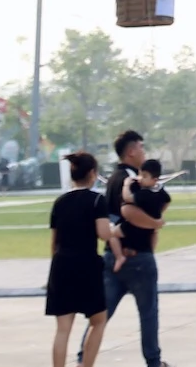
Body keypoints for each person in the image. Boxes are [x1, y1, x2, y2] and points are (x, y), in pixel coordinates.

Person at [89, 129, 168, 367]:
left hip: (113, 256)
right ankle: (153, 362)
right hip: (138, 257)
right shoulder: (132, 181)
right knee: (148, 314)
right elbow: (129, 213)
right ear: (132, 151)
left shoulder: (114, 178)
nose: (144, 151)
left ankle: (84, 358)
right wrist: (156, 223)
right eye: (141, 147)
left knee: (101, 315)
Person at [47, 151, 114, 367]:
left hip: (61, 265)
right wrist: (115, 230)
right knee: (98, 320)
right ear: (93, 174)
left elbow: (54, 242)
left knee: (63, 329)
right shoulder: (97, 200)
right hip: (86, 265)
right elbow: (104, 233)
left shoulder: (60, 202)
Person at [113, 160, 170, 273]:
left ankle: (119, 257)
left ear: (154, 180)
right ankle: (150, 252)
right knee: (154, 233)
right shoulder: (160, 191)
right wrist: (159, 213)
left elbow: (127, 198)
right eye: (140, 175)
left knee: (112, 233)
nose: (140, 179)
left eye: (144, 176)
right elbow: (168, 201)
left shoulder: (145, 193)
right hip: (150, 227)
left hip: (134, 225)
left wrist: (126, 185)